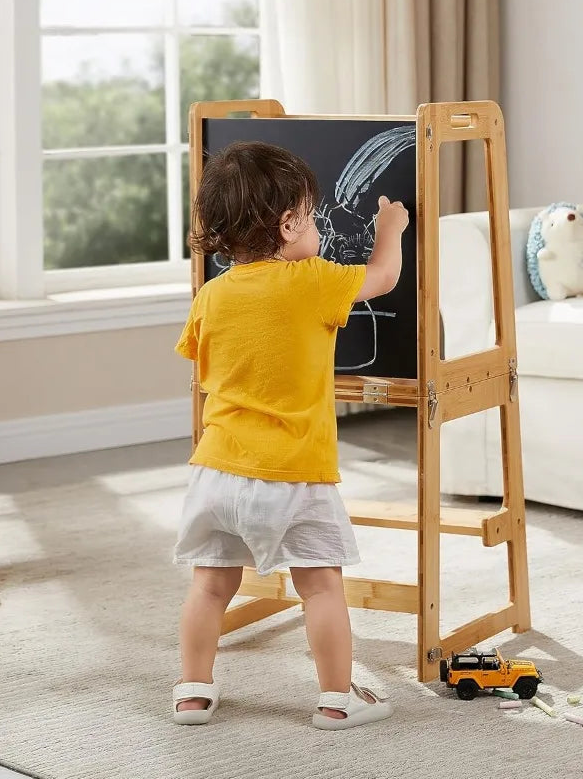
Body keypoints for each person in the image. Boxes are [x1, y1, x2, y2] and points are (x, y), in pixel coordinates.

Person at [171, 140, 409, 730]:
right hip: (294, 473)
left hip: (216, 472)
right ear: (288, 225)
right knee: (322, 587)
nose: (321, 228)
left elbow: (201, 367)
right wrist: (391, 226)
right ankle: (337, 699)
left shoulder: (210, 295)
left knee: (209, 588)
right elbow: (383, 277)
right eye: (313, 215)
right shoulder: (312, 281)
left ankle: (193, 692)